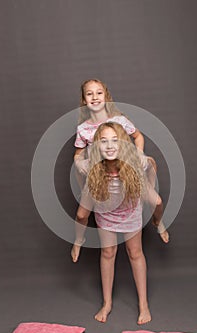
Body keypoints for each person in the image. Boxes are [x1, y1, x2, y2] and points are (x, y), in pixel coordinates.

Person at [71, 79, 169, 263]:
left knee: (157, 201)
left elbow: (137, 136)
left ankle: (158, 222)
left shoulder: (119, 120)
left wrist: (139, 153)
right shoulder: (83, 129)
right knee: (82, 214)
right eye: (89, 94)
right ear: (84, 100)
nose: (95, 97)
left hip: (126, 173)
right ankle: (79, 238)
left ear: (105, 96)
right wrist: (79, 162)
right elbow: (78, 153)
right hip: (101, 177)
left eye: (99, 93)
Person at [74, 122, 156, 324]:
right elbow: (81, 213)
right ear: (96, 147)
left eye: (115, 140)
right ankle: (107, 303)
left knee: (135, 253)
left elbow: (152, 163)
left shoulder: (135, 162)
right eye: (103, 141)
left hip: (130, 214)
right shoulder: (92, 168)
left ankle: (143, 305)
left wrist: (151, 192)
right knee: (108, 253)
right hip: (106, 215)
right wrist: (78, 239)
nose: (110, 146)